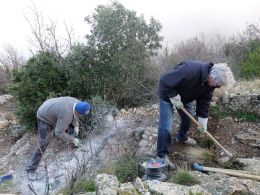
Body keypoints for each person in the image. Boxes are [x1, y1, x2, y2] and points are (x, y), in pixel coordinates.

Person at [156, 61, 235, 167]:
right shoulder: (189, 70)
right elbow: (164, 81)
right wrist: (174, 97)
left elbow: (204, 103)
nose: (217, 87)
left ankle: (182, 137)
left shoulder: (210, 85)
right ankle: (161, 156)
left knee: (187, 119)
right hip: (167, 94)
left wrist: (203, 122)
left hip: (185, 97)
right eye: (217, 85)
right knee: (166, 126)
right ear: (211, 77)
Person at [26, 96, 90, 176]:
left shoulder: (78, 103)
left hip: (53, 110)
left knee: (70, 130)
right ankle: (30, 169)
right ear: (77, 111)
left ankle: (76, 146)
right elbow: (58, 133)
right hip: (44, 117)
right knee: (44, 142)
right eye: (81, 115)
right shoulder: (66, 114)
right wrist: (73, 139)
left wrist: (76, 126)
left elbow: (75, 116)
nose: (81, 117)